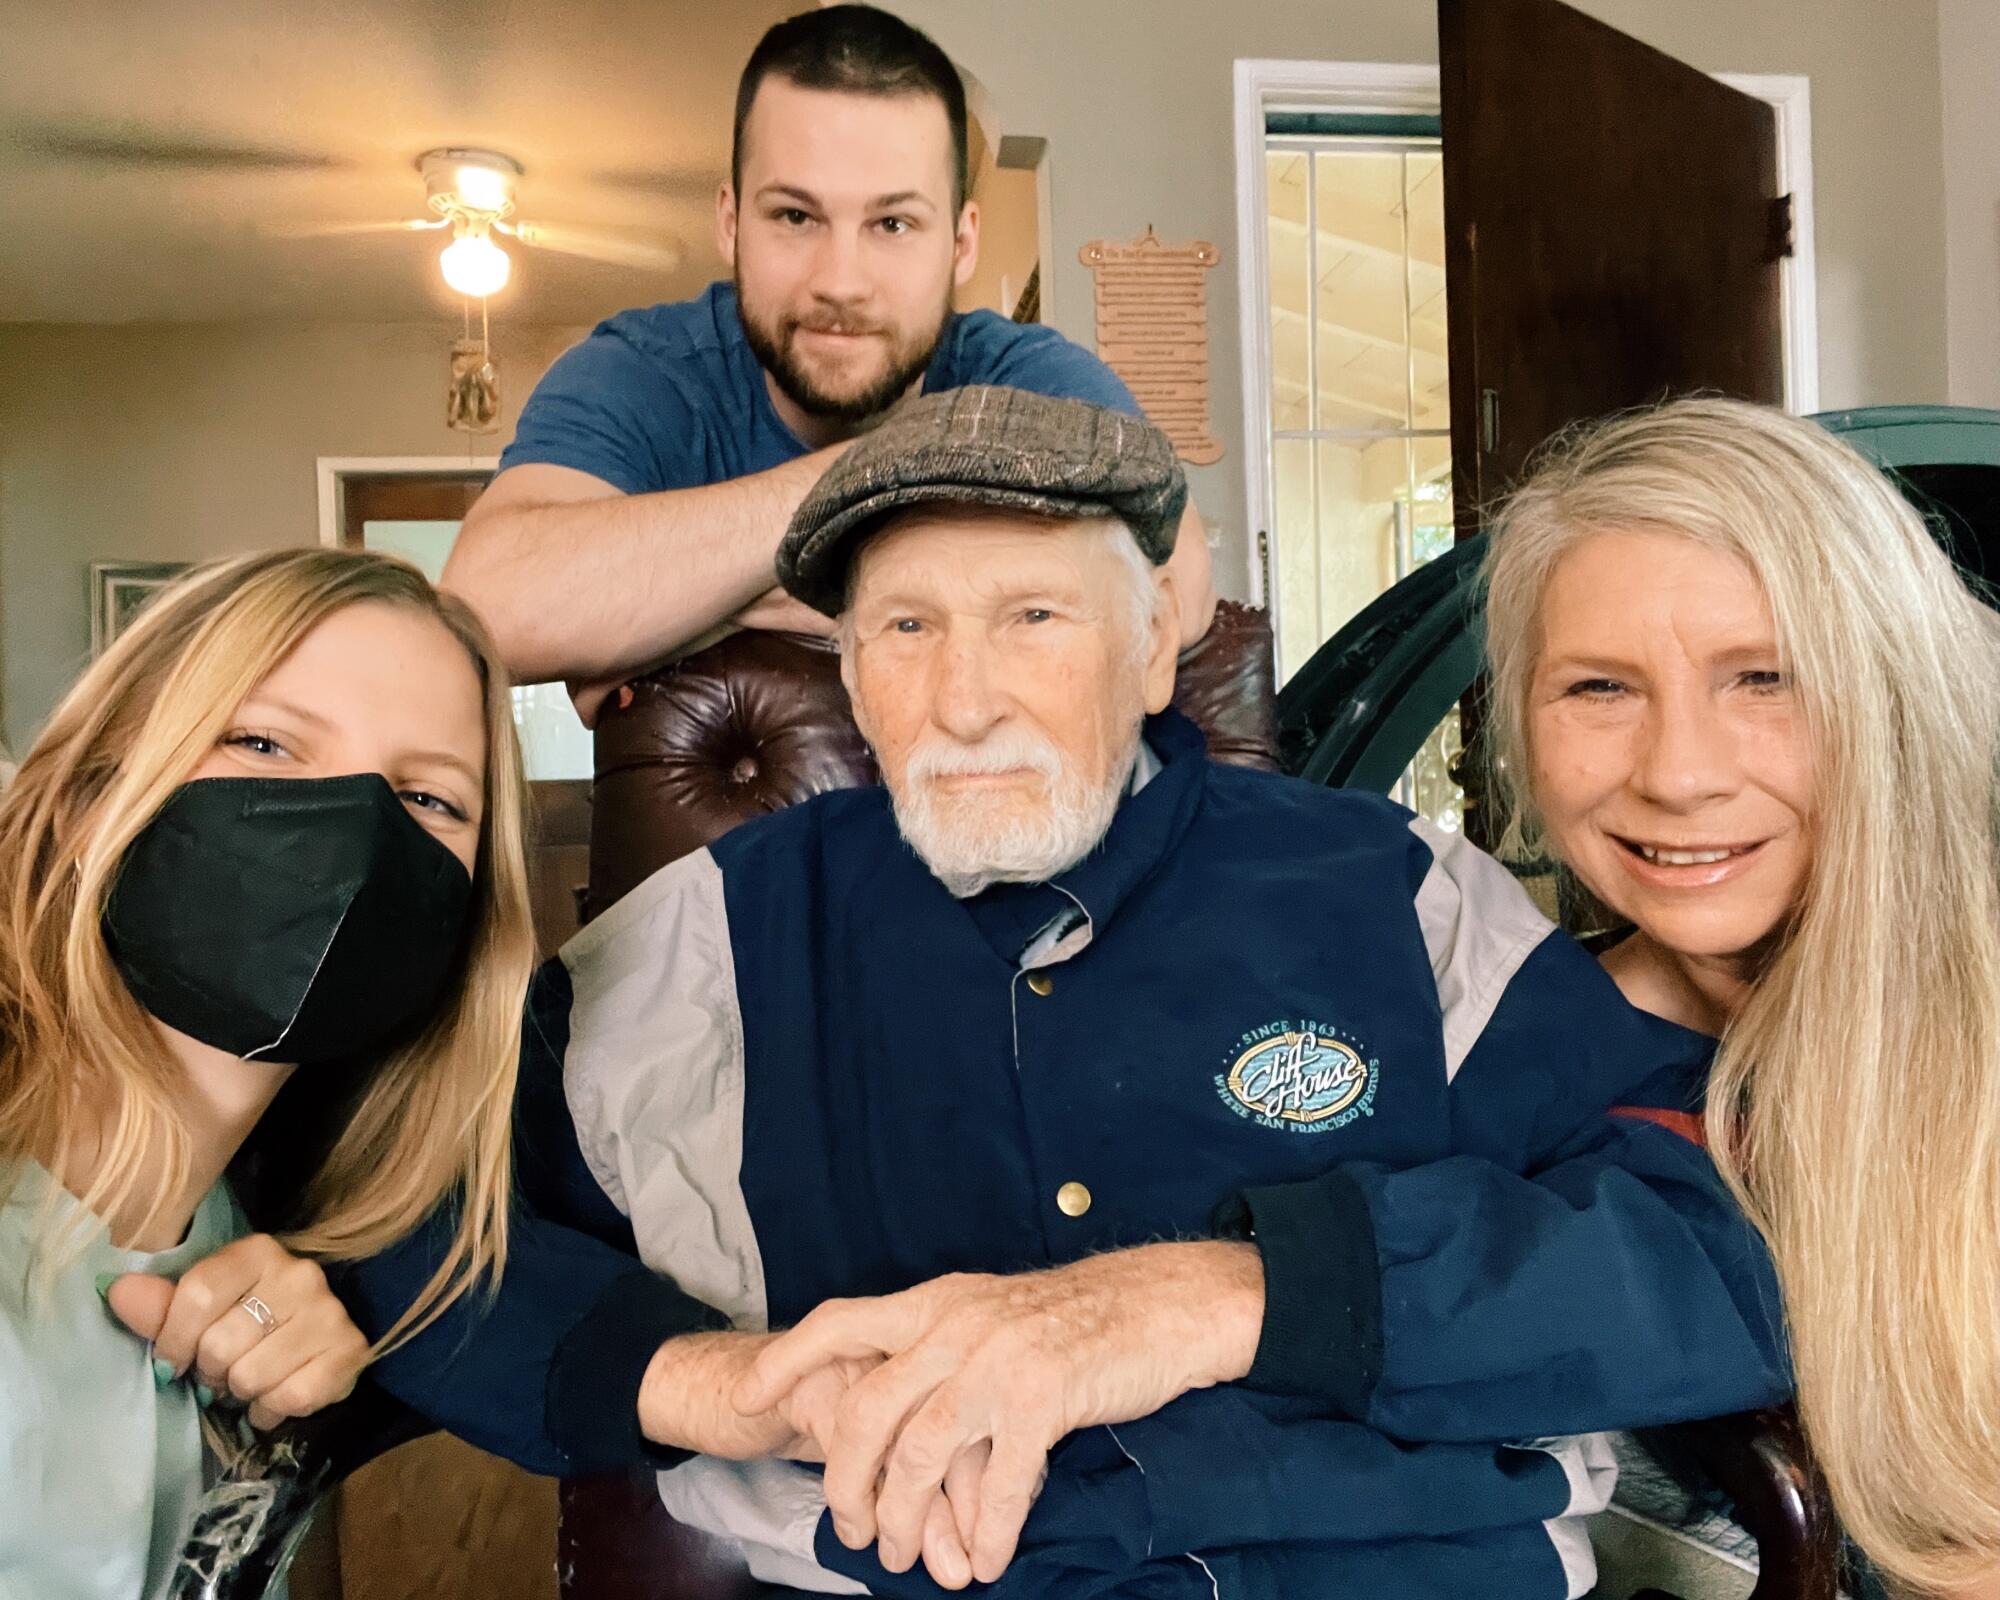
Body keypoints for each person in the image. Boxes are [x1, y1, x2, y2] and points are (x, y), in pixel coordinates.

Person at [343, 388, 1785, 1599]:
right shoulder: (712, 943)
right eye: (905, 631)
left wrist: (1242, 1295)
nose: (964, 698)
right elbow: (417, 1215)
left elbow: (1714, 1243)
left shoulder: (1399, 894)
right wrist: (712, 1386)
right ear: (849, 671)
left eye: (1033, 615)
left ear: (1156, 644)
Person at [1480, 395, 2000, 1599]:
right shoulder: (1485, 1070)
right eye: (1599, 689)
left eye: (1761, 678)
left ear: (1889, 695)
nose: (1676, 774)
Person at [0, 548, 538, 1599]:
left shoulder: (280, 1279)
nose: (354, 831)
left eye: (430, 800)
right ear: (85, 798)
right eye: (262, 741)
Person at [440, 4, 1215, 724]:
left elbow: (1176, 581)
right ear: (731, 220)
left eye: (893, 222)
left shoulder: (1028, 376)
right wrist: (882, 493)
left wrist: (701, 607)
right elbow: (487, 608)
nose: (840, 280)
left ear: (962, 241)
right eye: (796, 216)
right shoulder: (644, 370)